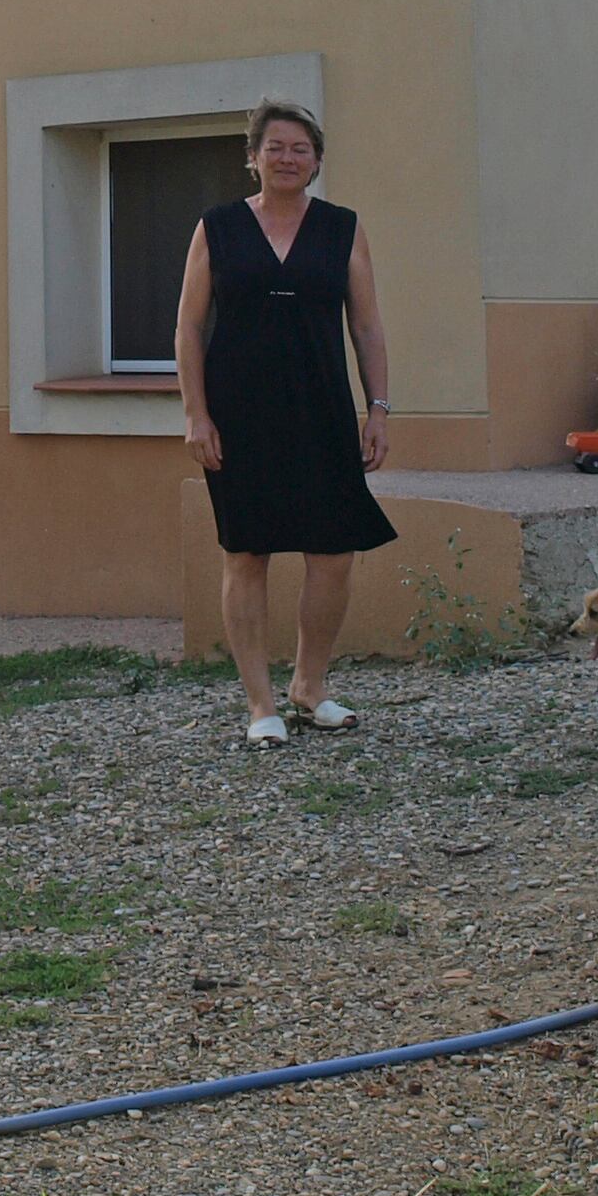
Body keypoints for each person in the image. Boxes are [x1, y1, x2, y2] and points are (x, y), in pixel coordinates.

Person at [173, 99, 397, 744]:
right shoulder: (216, 227)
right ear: (253, 157)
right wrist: (196, 414)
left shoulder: (342, 228)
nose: (288, 158)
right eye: (275, 147)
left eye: (301, 149)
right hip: (237, 415)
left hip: (322, 408)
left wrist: (377, 408)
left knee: (333, 553)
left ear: (317, 161)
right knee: (246, 552)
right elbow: (188, 326)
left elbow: (368, 325)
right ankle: (261, 706)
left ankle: (310, 686)